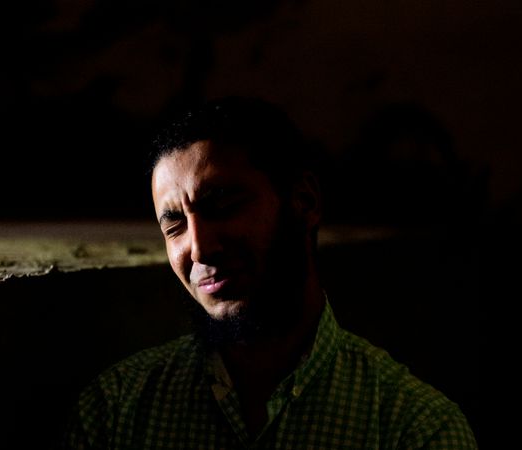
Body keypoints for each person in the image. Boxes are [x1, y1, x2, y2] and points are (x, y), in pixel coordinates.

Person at [61, 96, 478, 449]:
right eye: (174, 225)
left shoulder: (413, 430)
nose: (200, 247)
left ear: (304, 202)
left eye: (223, 204)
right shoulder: (115, 415)